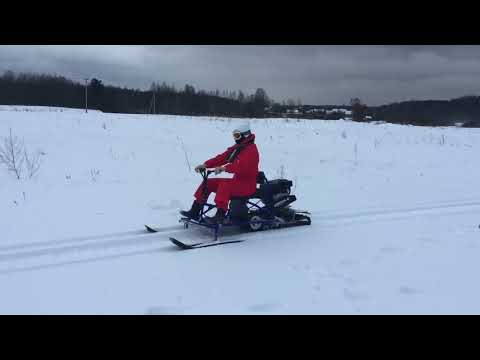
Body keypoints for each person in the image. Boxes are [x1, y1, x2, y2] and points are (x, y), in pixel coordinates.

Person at [180, 121, 259, 225]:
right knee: (208, 182)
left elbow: (241, 167)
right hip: (237, 182)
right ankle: (195, 210)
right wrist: (206, 165)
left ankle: (220, 216)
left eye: (237, 135)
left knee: (225, 185)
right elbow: (222, 158)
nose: (235, 138)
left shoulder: (251, 150)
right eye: (234, 135)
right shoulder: (238, 148)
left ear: (245, 135)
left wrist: (224, 168)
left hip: (247, 185)